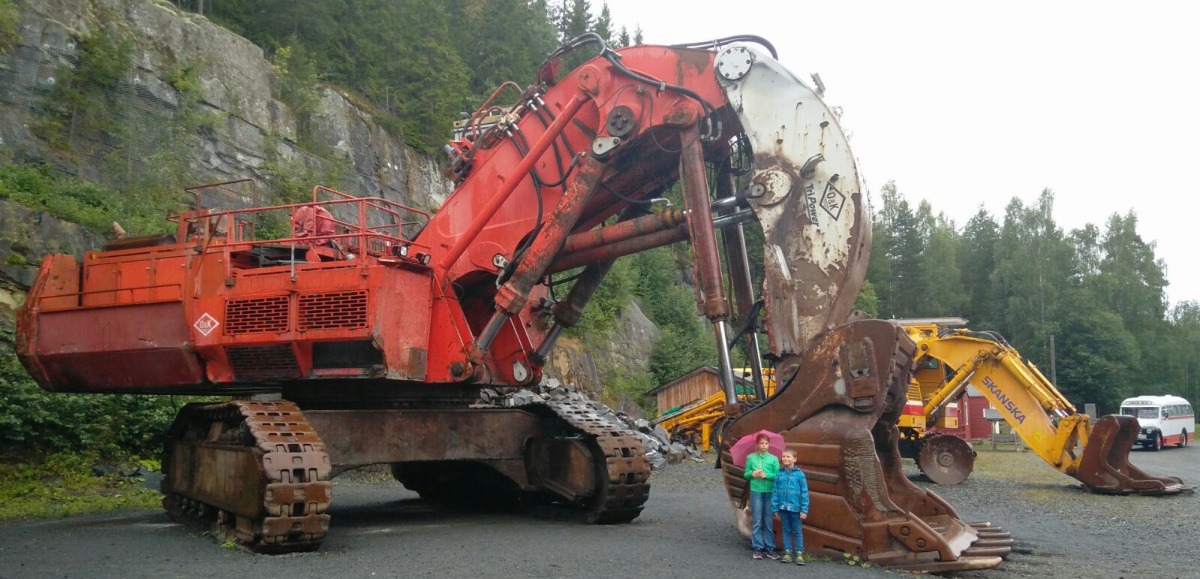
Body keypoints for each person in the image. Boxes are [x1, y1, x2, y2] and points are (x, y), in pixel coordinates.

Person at [743, 433, 780, 560]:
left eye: (766, 443)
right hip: (756, 491)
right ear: (757, 445)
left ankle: (770, 547)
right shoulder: (751, 458)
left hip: (770, 492)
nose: (764, 446)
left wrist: (766, 475)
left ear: (769, 445)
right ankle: (758, 547)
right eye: (761, 443)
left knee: (768, 520)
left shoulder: (774, 459)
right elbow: (746, 474)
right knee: (757, 520)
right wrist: (753, 473)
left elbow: (777, 475)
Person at [771, 448, 810, 565]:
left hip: (796, 509)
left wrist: (804, 509)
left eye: (788, 457)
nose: (785, 459)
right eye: (783, 456)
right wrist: (775, 507)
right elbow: (775, 491)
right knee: (786, 530)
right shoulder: (779, 473)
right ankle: (787, 552)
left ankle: (799, 553)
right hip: (783, 508)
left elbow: (804, 492)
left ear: (794, 459)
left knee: (797, 531)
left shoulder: (800, 475)